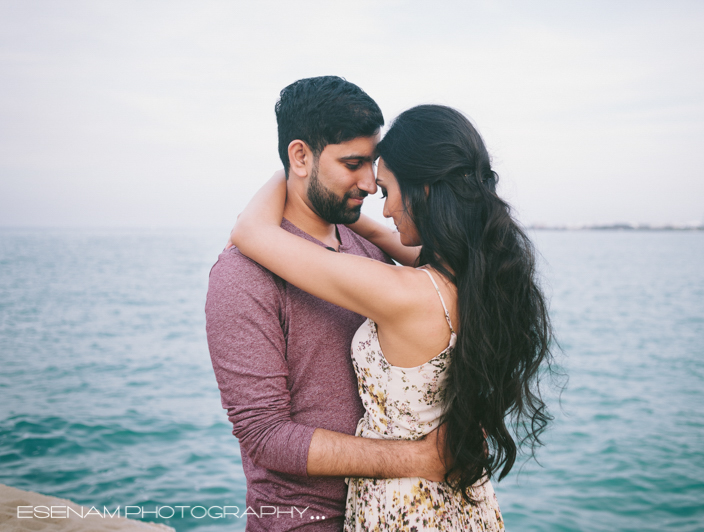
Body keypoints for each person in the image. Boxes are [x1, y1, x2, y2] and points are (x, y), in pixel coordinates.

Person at [231, 104, 554, 531]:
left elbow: (250, 233)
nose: (382, 209)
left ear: (422, 191)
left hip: (405, 507)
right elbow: (384, 234)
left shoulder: (402, 292)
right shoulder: (479, 274)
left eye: (385, 191)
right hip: (464, 505)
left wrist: (292, 170)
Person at [206, 78, 448, 532]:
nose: (371, 183)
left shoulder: (369, 247)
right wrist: (418, 459)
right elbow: (266, 436)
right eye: (353, 163)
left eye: (372, 164)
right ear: (300, 157)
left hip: (399, 513)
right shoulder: (242, 275)